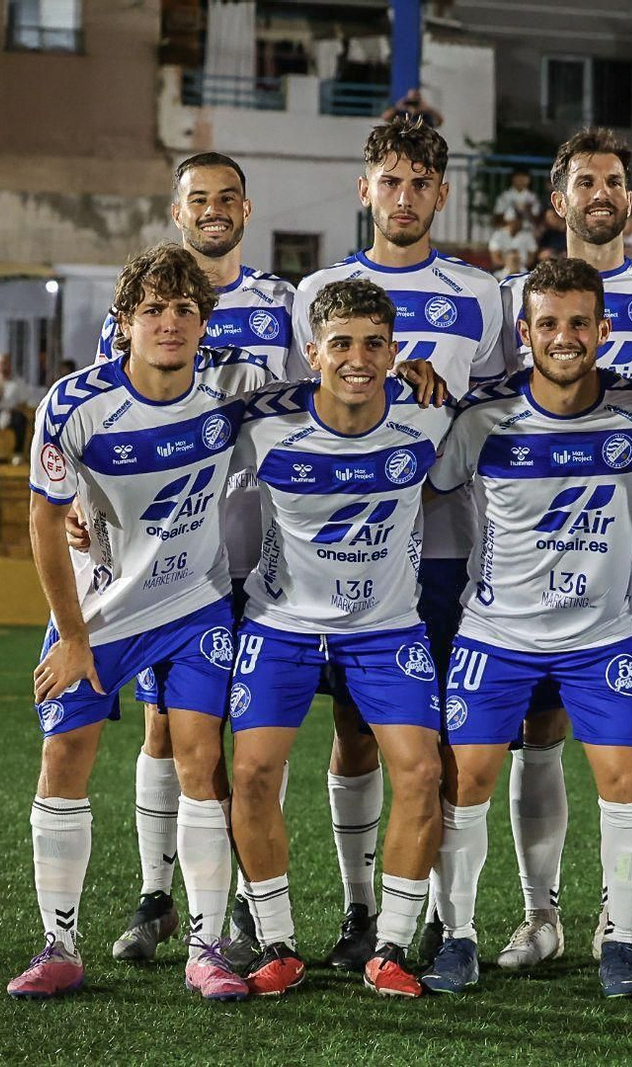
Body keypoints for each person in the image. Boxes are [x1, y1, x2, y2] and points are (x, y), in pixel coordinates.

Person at [7, 243, 274, 1001]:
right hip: (98, 612)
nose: (169, 322)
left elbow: (319, 394)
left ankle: (206, 948)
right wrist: (74, 634)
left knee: (201, 760)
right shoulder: (73, 403)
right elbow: (43, 519)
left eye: (184, 308)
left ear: (204, 320)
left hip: (194, 606)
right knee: (64, 755)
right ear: (122, 322)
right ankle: (59, 945)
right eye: (152, 308)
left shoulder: (235, 386)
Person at [426, 257, 632, 998]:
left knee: (627, 780)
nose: (563, 337)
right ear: (524, 331)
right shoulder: (480, 419)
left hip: (601, 638)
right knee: (464, 778)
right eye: (547, 323)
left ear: (604, 330)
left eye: (578, 323)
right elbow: (417, 476)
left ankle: (621, 940)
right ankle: (460, 935)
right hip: (496, 633)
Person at [292, 115, 506, 973]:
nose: (405, 196)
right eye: (391, 181)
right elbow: (292, 412)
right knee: (351, 730)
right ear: (365, 189)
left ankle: (445, 921)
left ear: (442, 194)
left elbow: (495, 417)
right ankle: (358, 909)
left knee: (446, 742)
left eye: (421, 182)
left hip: (452, 544)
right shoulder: (318, 291)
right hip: (348, 557)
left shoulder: (483, 292)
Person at [487, 127, 632, 977]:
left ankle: (624, 919)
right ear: (557, 199)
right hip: (532, 555)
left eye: (614, 180)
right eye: (584, 181)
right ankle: (541, 916)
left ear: (630, 198)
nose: (600, 193)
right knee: (536, 732)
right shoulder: (516, 297)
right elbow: (495, 405)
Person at [84, 152, 300, 968]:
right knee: (164, 728)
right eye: (197, 199)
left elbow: (309, 402)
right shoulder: (136, 309)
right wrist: (85, 510)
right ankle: (157, 895)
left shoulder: (281, 303)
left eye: (226, 198)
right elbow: (105, 425)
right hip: (167, 559)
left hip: (263, 550)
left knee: (246, 742)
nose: (212, 210)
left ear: (246, 210)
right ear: (178, 211)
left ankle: (245, 905)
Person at [229, 280, 452, 998]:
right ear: (311, 351)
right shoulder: (260, 424)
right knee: (253, 773)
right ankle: (277, 942)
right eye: (343, 344)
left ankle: (390, 944)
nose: (359, 359)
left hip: (386, 629)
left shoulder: (430, 416)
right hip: (283, 623)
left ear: (395, 351)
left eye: (375, 344)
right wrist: (85, 507)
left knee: (420, 771)